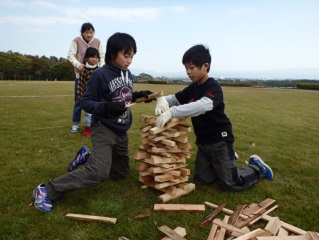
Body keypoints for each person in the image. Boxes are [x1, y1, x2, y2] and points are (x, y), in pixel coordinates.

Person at [32, 32, 153, 211]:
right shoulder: (100, 75)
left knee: (120, 174)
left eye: (132, 56)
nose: (130, 60)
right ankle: (47, 189)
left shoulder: (128, 74)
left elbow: (124, 96)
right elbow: (86, 102)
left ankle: (86, 156)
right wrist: (108, 107)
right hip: (103, 127)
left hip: (121, 131)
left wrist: (139, 95)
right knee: (98, 173)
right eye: (126, 55)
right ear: (113, 54)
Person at [155, 44, 273, 192]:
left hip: (220, 140)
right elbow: (175, 98)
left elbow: (202, 106)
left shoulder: (213, 87)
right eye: (186, 68)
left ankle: (256, 167)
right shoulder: (193, 87)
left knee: (231, 183)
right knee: (202, 180)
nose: (188, 72)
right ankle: (227, 161)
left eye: (192, 67)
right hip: (203, 142)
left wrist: (172, 112)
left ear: (205, 66)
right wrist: (163, 100)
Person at [67, 22, 105, 134]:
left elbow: (102, 56)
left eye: (91, 32)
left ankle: (94, 124)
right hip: (80, 76)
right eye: (87, 32)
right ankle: (75, 124)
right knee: (79, 101)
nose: (89, 35)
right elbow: (71, 55)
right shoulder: (76, 41)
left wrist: (100, 69)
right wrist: (78, 65)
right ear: (82, 32)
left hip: (95, 77)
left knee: (96, 100)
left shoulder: (97, 42)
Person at [77, 47, 100, 137]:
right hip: (88, 97)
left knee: (98, 114)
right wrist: (81, 98)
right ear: (86, 58)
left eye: (97, 57)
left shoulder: (100, 70)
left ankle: (97, 129)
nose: (95, 59)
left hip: (98, 97)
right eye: (92, 57)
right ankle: (87, 129)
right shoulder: (84, 71)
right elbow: (80, 85)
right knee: (88, 114)